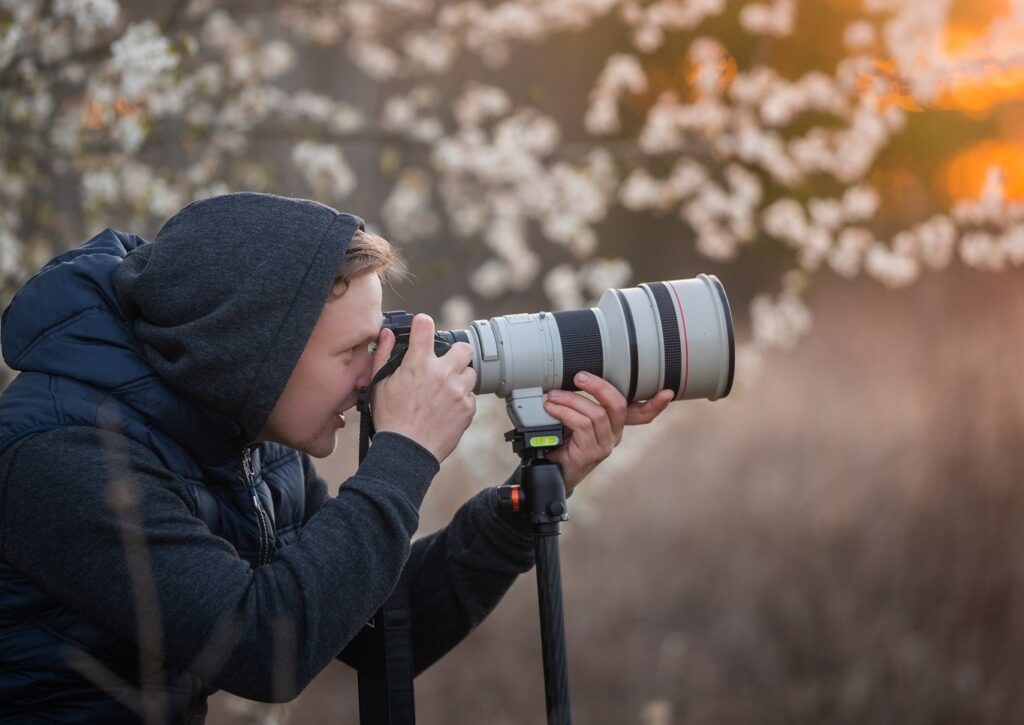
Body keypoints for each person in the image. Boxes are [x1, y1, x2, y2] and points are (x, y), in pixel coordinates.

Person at [0, 192, 673, 722]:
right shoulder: (63, 458)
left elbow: (378, 627)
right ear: (255, 353)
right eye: (353, 351)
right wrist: (404, 454)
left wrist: (525, 502)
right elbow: (262, 647)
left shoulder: (248, 441)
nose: (371, 374)